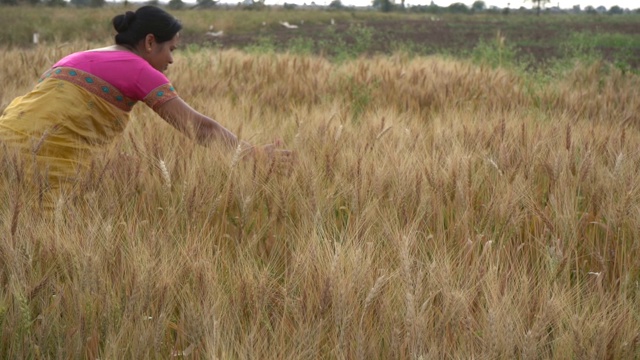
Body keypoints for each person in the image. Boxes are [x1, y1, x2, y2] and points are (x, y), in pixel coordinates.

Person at [0, 6, 290, 210]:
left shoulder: (77, 56)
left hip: (6, 141)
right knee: (45, 234)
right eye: (171, 50)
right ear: (150, 42)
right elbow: (199, 128)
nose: (172, 60)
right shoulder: (139, 69)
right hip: (42, 160)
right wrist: (254, 155)